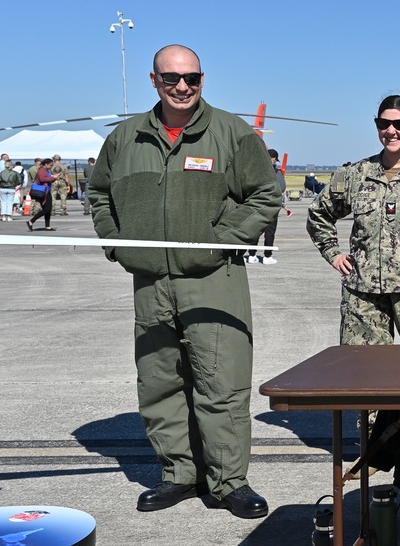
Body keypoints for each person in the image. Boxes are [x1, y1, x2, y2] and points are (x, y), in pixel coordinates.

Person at [88, 44, 280, 519]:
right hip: (151, 282)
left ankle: (229, 481)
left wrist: (218, 243)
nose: (182, 87)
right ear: (154, 80)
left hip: (213, 280)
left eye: (192, 78)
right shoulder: (125, 138)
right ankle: (178, 475)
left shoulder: (231, 133)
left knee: (221, 384)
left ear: (202, 80)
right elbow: (98, 195)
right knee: (159, 382)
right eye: (172, 78)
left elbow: (265, 195)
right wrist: (119, 244)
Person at [307, 94, 400, 345]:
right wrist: (332, 253)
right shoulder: (355, 175)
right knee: (364, 373)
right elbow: (318, 213)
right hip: (362, 297)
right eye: (383, 124)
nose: (391, 131)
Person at [247, 149, 286, 265]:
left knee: (255, 229)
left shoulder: (255, 169)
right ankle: (267, 256)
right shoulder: (275, 171)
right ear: (273, 159)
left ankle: (251, 255)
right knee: (270, 231)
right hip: (271, 205)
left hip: (257, 204)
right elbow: (282, 187)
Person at [27, 158, 57, 231]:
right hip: (44, 192)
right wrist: (53, 178)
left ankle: (47, 226)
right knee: (47, 209)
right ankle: (31, 221)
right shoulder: (42, 170)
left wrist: (53, 177)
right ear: (46, 164)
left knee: (47, 210)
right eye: (50, 165)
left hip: (46, 191)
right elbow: (42, 179)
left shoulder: (45, 170)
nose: (51, 167)